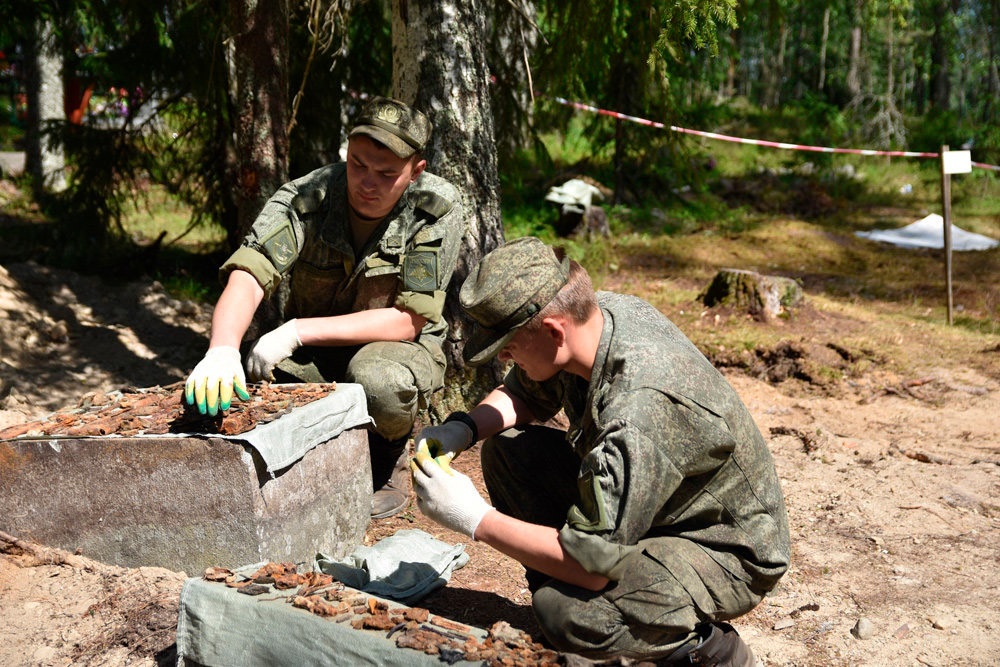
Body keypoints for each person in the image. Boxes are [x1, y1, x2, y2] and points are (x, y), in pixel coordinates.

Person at [410, 237, 790, 665]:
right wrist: (462, 429)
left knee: (568, 614)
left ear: (554, 330)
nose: (506, 358)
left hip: (720, 544)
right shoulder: (592, 319)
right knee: (508, 452)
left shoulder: (640, 409)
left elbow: (590, 567)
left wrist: (473, 518)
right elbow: (526, 394)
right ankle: (569, 585)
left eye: (509, 346)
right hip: (659, 503)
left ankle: (710, 652)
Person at [184, 96, 465, 519]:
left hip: (395, 350)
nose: (366, 182)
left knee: (379, 380)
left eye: (386, 173)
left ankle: (386, 456)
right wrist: (221, 348)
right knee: (260, 381)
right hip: (318, 355)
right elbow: (251, 270)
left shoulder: (434, 209)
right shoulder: (308, 196)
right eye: (357, 165)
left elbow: (409, 319)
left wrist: (295, 331)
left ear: (416, 172)